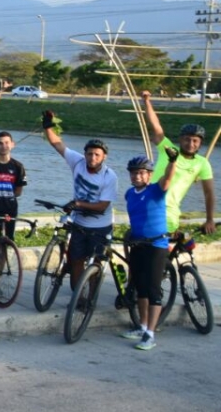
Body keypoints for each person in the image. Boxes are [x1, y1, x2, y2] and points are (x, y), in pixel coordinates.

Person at [41, 110, 117, 291]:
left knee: (96, 263)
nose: (92, 158)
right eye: (90, 154)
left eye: (97, 155)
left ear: (104, 156)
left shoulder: (109, 176)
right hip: (80, 223)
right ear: (84, 154)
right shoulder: (78, 162)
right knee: (76, 261)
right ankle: (78, 298)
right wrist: (48, 124)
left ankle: (91, 295)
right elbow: (57, 143)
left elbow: (102, 206)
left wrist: (78, 204)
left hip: (100, 226)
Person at [119, 151, 177, 351]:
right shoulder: (129, 194)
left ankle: (150, 334)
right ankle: (142, 326)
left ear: (149, 175)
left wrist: (172, 160)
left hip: (156, 246)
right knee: (140, 289)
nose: (137, 176)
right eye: (134, 173)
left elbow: (168, 177)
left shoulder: (156, 190)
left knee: (153, 291)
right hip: (137, 245)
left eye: (142, 173)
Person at [141, 90, 215, 234]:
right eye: (187, 139)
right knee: (140, 243)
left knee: (163, 247)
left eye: (195, 141)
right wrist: (147, 102)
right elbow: (156, 127)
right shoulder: (168, 149)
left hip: (171, 211)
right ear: (180, 139)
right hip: (148, 203)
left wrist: (209, 219)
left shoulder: (202, 163)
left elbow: (209, 193)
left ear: (200, 144)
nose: (190, 143)